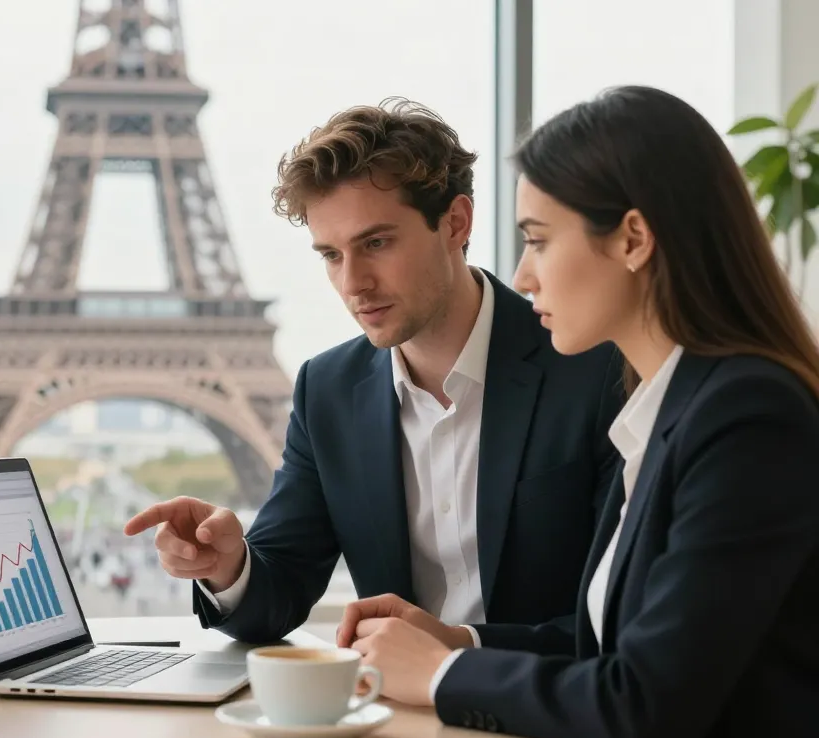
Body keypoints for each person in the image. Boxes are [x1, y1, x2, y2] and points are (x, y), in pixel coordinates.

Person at [336, 85, 819, 738]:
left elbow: (645, 702)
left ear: (632, 238)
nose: (521, 275)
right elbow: (611, 650)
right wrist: (454, 642)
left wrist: (439, 676)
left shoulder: (747, 417)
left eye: (537, 240)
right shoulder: (667, 407)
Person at [124, 98, 624, 646]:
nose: (352, 283)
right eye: (331, 256)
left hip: (547, 716)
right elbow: (278, 589)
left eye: (376, 243)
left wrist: (457, 647)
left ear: (455, 223)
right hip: (390, 717)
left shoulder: (595, 369)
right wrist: (228, 566)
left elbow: (620, 624)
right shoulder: (328, 390)